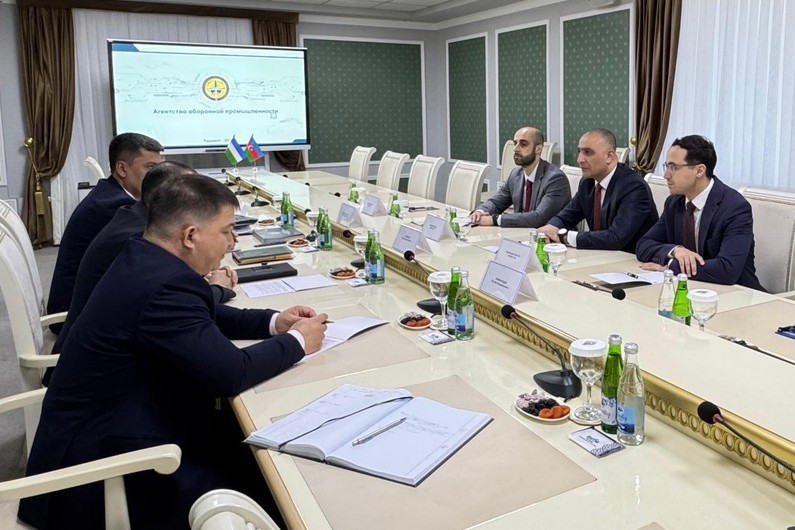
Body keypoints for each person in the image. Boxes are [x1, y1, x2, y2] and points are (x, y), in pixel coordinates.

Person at [19, 174, 328, 530]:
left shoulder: (145, 256)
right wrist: (298, 342)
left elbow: (201, 314)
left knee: (255, 448)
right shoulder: (166, 285)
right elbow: (231, 373)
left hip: (118, 423)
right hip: (106, 469)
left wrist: (273, 323)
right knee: (277, 485)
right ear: (190, 236)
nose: (233, 241)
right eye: (226, 230)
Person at [49, 162, 239, 358]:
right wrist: (217, 288)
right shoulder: (138, 239)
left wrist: (218, 237)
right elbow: (172, 302)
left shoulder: (134, 218)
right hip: (96, 359)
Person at [46, 133, 164, 328]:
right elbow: (144, 264)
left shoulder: (109, 193)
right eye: (150, 168)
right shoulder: (116, 206)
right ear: (122, 168)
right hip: (75, 315)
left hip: (79, 301)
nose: (159, 176)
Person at [636, 135, 764, 290]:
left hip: (739, 293)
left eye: (673, 167)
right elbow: (643, 245)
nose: (666, 175)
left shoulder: (734, 207)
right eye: (666, 166)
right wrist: (676, 251)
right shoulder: (674, 202)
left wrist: (671, 266)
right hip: (691, 289)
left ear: (699, 170)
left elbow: (728, 269)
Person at [538, 128, 658, 252]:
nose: (579, 159)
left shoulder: (634, 187)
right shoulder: (587, 182)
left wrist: (565, 237)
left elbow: (615, 238)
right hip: (601, 256)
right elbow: (565, 217)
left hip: (633, 259)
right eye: (579, 151)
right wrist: (550, 228)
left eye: (588, 152)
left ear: (609, 156)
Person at [469, 127, 570, 228]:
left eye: (523, 144)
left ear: (538, 149)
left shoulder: (555, 179)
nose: (515, 149)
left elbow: (538, 218)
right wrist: (480, 212)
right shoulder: (516, 174)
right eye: (515, 143)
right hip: (520, 233)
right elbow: (496, 202)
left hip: (547, 236)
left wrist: (496, 219)